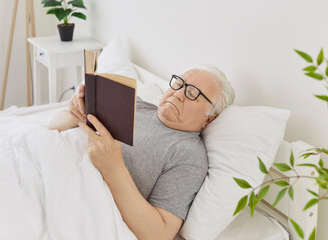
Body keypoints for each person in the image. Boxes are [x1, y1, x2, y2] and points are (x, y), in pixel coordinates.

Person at [49, 65, 235, 240]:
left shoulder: (189, 156)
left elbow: (159, 234)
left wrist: (113, 168)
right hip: (50, 163)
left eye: (193, 93)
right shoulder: (133, 103)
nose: (178, 94)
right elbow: (54, 126)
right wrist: (76, 110)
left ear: (210, 118)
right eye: (179, 84)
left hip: (74, 201)